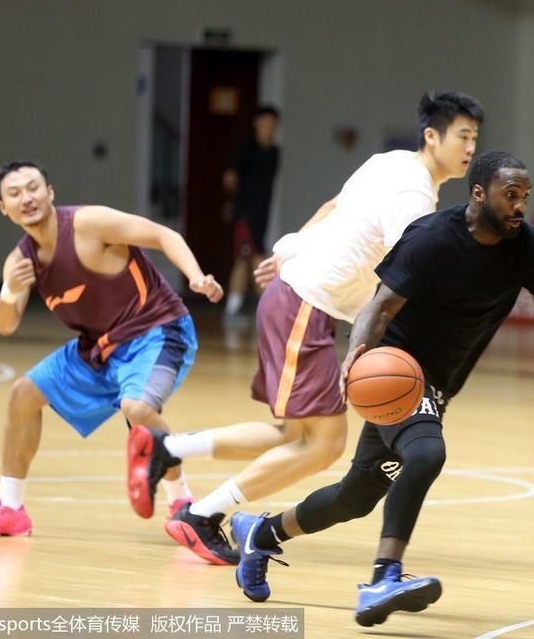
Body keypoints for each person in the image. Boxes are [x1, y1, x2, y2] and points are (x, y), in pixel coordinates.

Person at [229, 150, 534, 627]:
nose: (520, 205)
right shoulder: (432, 238)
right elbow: (378, 308)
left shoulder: (528, 247)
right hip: (394, 372)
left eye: (525, 196)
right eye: (510, 195)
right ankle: (384, 577)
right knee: (426, 454)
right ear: (479, 194)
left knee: (356, 496)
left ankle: (262, 533)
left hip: (436, 384)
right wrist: (357, 357)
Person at [126, 91, 484, 565]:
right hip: (306, 305)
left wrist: (291, 247)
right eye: (463, 136)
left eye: (475, 139)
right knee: (323, 444)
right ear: (432, 135)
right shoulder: (412, 196)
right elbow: (407, 279)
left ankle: (169, 450)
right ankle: (201, 513)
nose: (470, 149)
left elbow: (333, 206)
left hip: (302, 302)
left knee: (296, 437)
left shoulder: (390, 162)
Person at [0, 161, 223, 538]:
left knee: (138, 408)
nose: (26, 198)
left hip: (156, 331)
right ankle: (10, 509)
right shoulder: (19, 261)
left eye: (33, 187)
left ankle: (182, 503)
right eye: (14, 194)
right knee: (23, 394)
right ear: (4, 207)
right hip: (98, 348)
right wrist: (9, 290)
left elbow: (164, 235)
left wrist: (195, 276)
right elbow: (5, 325)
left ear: (50, 192)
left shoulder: (89, 223)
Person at [223, 105, 281, 317]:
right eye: (265, 123)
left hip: (261, 215)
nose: (268, 128)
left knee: (250, 258)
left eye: (272, 125)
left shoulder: (274, 153)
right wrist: (234, 203)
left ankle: (250, 307)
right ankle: (263, 309)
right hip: (245, 214)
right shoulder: (245, 151)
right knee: (252, 258)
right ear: (256, 124)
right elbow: (229, 179)